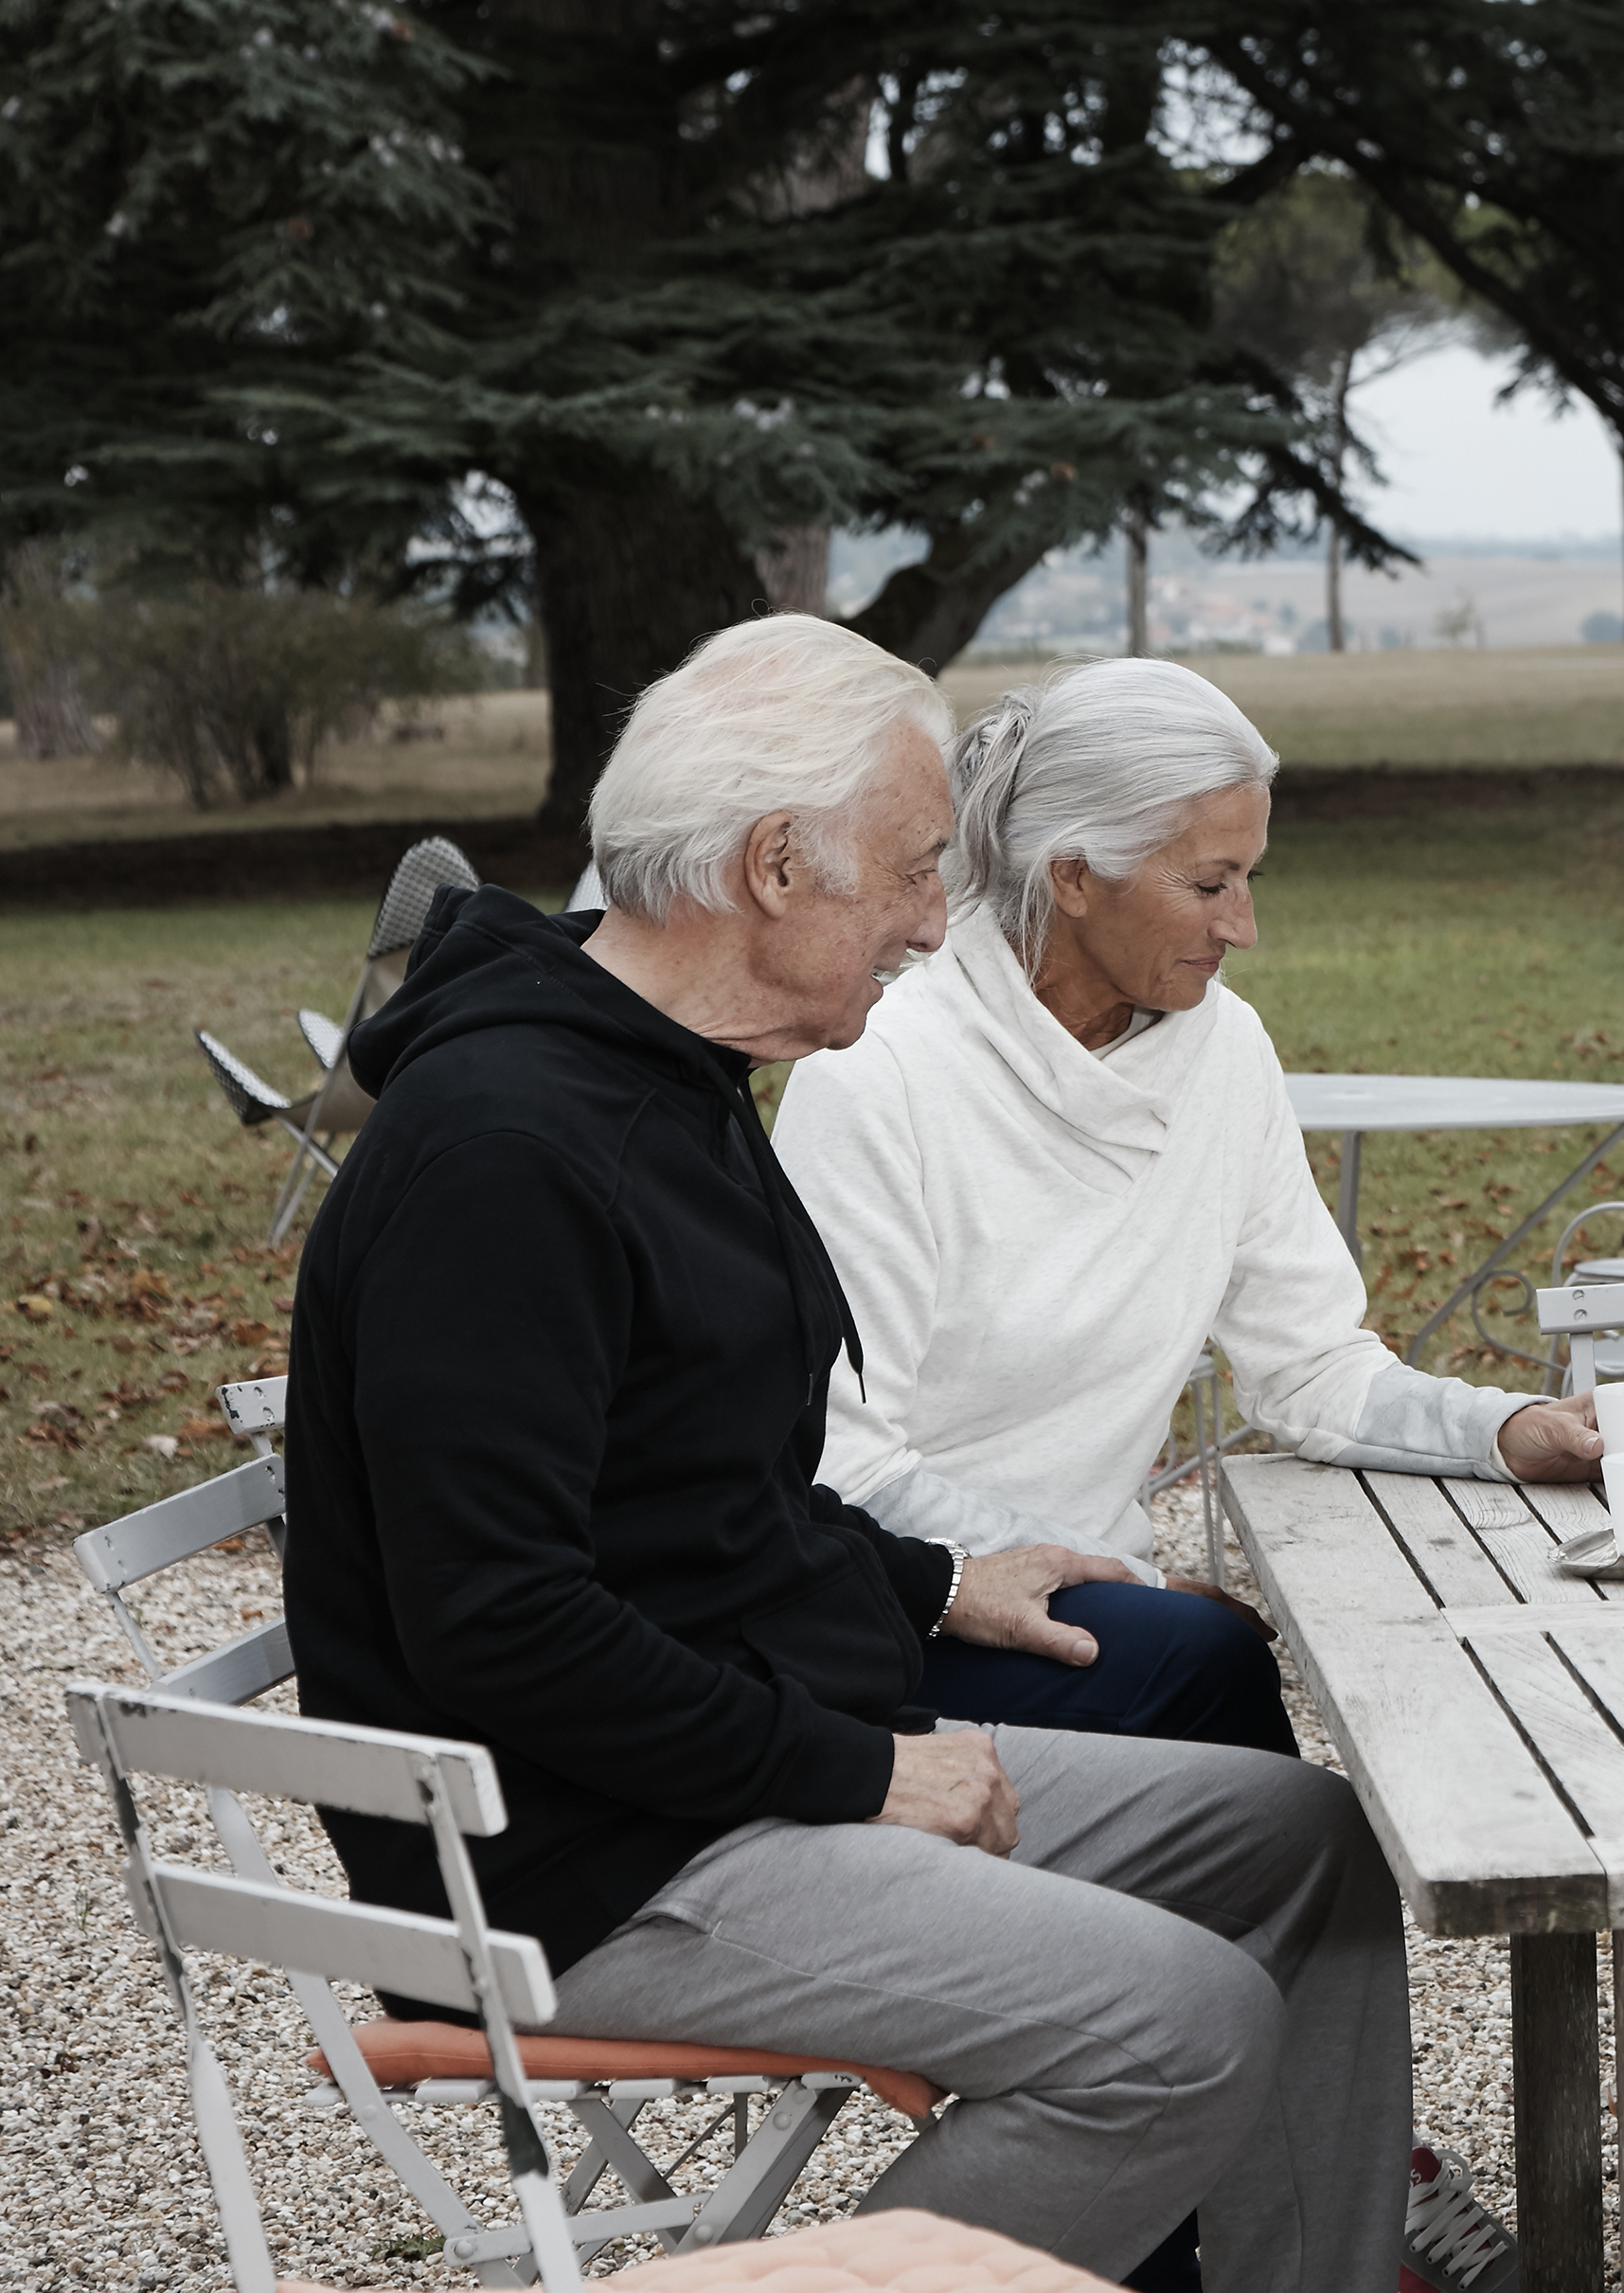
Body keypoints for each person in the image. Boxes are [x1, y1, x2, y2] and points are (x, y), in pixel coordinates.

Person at [281, 617, 1410, 2293]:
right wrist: (863, 1772)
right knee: (1177, 2020)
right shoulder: (507, 1154)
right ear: (771, 865)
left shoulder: (671, 1085)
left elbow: (701, 1506)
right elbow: (501, 1623)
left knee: (1303, 1848)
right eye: (910, 871)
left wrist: (936, 1580)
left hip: (711, 1776)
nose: (938, 918)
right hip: (579, 1860)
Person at [770, 655, 1602, 1754]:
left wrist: (1499, 1429)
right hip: (904, 1600)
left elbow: (1308, 1368)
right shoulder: (878, 1075)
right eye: (1209, 885)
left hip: (1092, 1585)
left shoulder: (1226, 1051)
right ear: (1072, 874)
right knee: (1214, 1676)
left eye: (1248, 879)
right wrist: (1138, 1585)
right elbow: (846, 1470)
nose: (1243, 925)